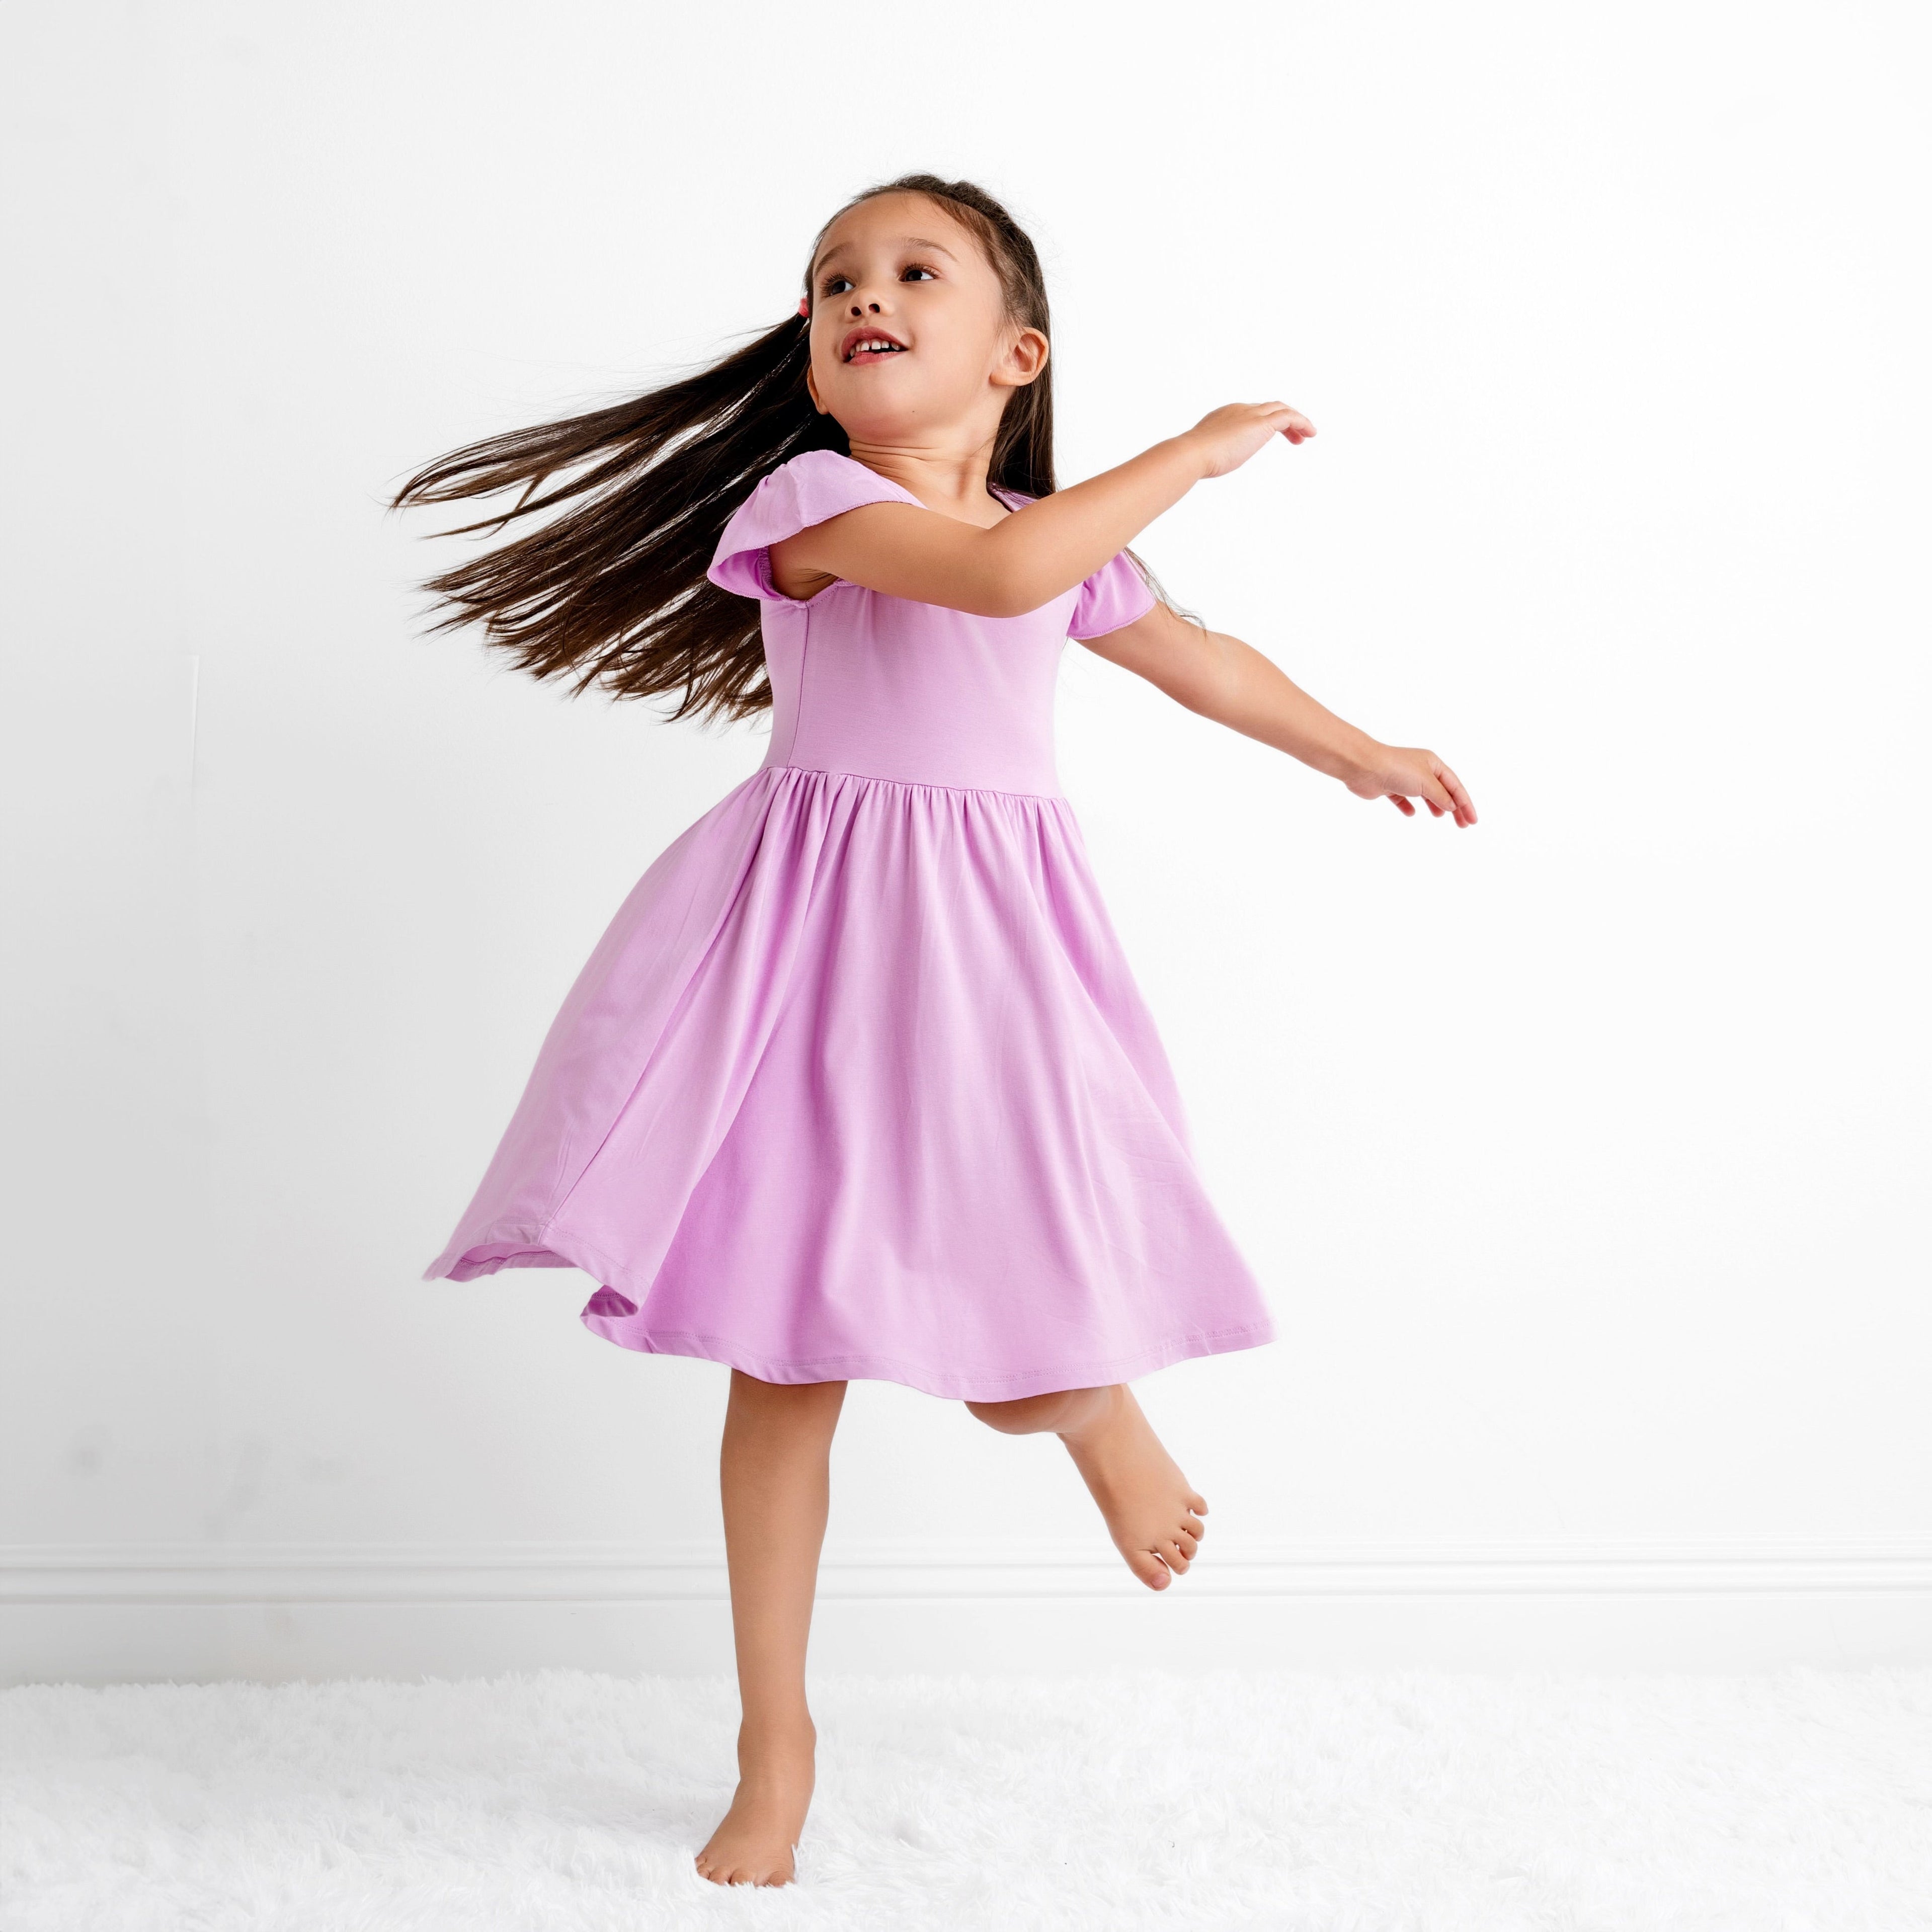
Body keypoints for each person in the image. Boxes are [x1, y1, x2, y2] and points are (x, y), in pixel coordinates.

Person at [394, 172, 1476, 1889]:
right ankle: (776, 1741)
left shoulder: (1059, 539)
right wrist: (1192, 452)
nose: (863, 297)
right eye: (836, 282)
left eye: (912, 272)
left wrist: (1362, 752)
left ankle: (1089, 1410)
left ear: (1014, 355)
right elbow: (995, 575)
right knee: (781, 1353)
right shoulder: (816, 499)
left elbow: (1206, 662)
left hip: (990, 951)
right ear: (818, 358)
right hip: (806, 948)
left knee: (1023, 1292)